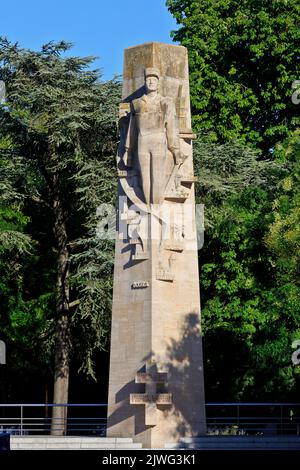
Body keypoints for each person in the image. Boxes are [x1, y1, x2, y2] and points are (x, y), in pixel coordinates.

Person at [124, 67, 184, 205]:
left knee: (157, 176)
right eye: (148, 79)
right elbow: (132, 128)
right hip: (142, 141)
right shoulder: (137, 103)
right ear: (145, 82)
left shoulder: (166, 102)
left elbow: (172, 128)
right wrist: (128, 151)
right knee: (145, 177)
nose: (151, 82)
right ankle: (148, 206)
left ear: (158, 83)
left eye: (154, 80)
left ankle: (156, 207)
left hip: (159, 140)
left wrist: (175, 150)